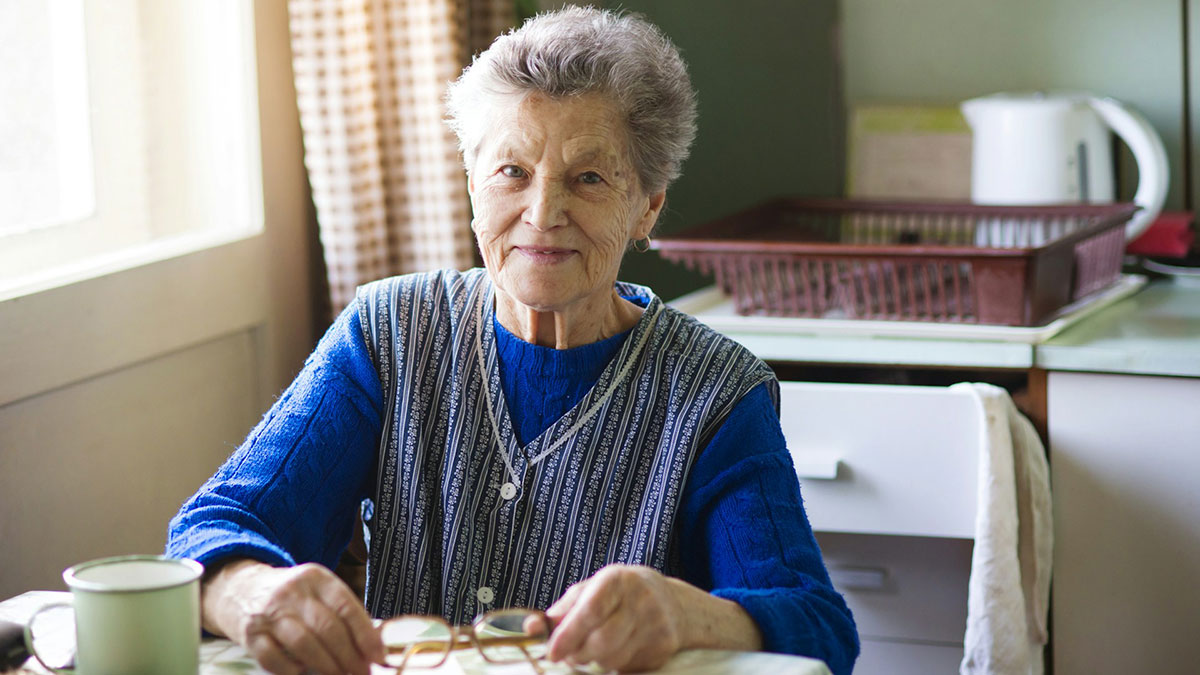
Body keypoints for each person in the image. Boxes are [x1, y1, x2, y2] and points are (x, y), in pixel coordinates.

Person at [167, 7, 858, 675]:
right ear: (472, 185)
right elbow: (211, 527)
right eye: (512, 172)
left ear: (648, 204)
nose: (542, 213)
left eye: (587, 177)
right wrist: (248, 591)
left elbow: (817, 625)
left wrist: (685, 615)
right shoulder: (389, 334)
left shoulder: (714, 392)